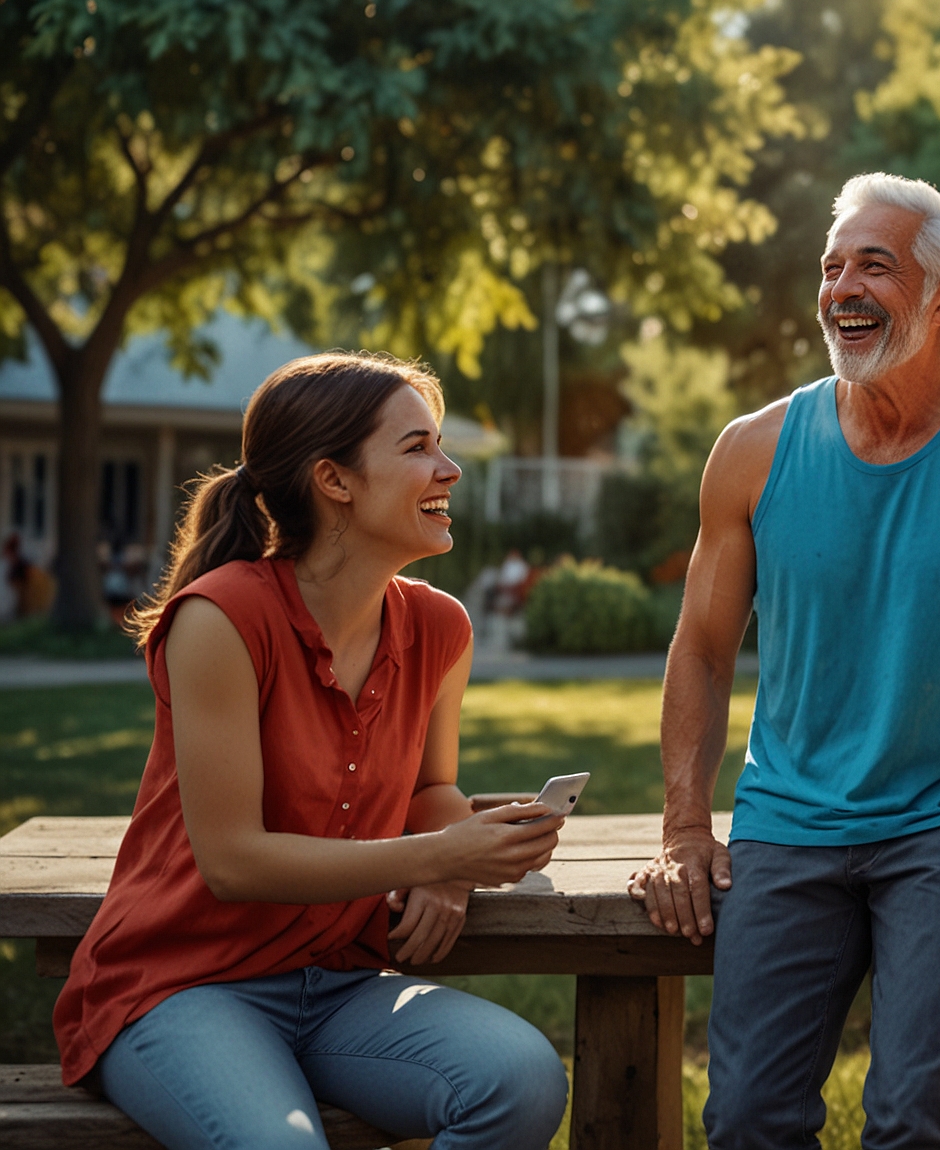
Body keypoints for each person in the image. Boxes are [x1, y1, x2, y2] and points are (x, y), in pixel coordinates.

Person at [629, 173, 940, 1150]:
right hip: (788, 819)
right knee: (746, 1122)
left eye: (873, 266)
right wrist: (685, 826)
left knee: (911, 1123)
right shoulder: (752, 449)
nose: (839, 287)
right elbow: (703, 650)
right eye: (831, 266)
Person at [53, 351, 570, 1150]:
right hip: (182, 986)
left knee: (520, 1079)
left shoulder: (441, 628)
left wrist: (459, 865)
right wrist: (434, 858)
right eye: (417, 447)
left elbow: (431, 789)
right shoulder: (220, 620)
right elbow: (233, 862)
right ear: (335, 481)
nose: (450, 468)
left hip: (339, 985)